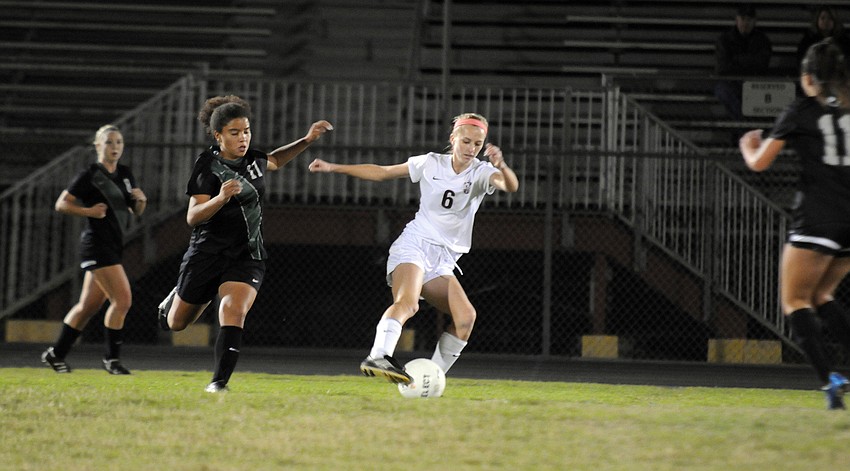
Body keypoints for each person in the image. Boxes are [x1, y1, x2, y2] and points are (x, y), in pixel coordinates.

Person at [308, 113, 519, 383]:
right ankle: (378, 355)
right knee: (408, 303)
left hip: (443, 259)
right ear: (453, 139)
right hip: (415, 245)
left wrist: (501, 165)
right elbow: (384, 172)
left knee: (465, 318)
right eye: (466, 141)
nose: (471, 148)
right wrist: (334, 168)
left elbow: (509, 185)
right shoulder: (430, 162)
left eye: (477, 144)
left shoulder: (481, 172)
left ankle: (431, 377)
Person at [157, 95, 332, 393]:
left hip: (246, 255)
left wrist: (306, 139)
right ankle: (176, 297)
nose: (243, 137)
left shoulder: (252, 159)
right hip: (207, 254)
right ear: (218, 136)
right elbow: (192, 217)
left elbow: (275, 160)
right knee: (176, 323)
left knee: (233, 309)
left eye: (247, 131)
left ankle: (218, 383)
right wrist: (221, 198)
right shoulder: (207, 166)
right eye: (235, 133)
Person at [739, 39, 850, 410]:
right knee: (822, 296)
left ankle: (830, 379)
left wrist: (748, 144)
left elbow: (759, 164)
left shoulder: (800, 110)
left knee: (794, 300)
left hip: (819, 214)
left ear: (807, 78)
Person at [41, 124, 147, 375]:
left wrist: (141, 201)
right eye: (109, 142)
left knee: (87, 306)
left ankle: (56, 354)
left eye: (119, 142)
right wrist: (88, 211)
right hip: (96, 245)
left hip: (113, 243)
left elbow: (135, 210)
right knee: (123, 300)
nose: (115, 147)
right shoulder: (88, 174)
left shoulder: (124, 173)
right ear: (98, 146)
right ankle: (112, 360)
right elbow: (61, 204)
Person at [714, 4, 773, 120]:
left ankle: (742, 128)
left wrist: (736, 60)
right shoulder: (724, 40)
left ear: (755, 21)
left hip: (754, 83)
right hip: (730, 83)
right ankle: (744, 126)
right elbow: (722, 68)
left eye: (749, 19)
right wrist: (749, 61)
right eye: (742, 19)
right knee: (725, 91)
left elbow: (762, 66)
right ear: (737, 20)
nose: (745, 23)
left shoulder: (762, 40)